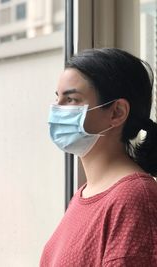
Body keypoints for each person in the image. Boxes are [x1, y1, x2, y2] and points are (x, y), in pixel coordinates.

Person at [40, 48, 157, 266]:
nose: (56, 110)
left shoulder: (134, 197)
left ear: (117, 112)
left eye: (71, 99)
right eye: (58, 98)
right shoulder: (85, 193)